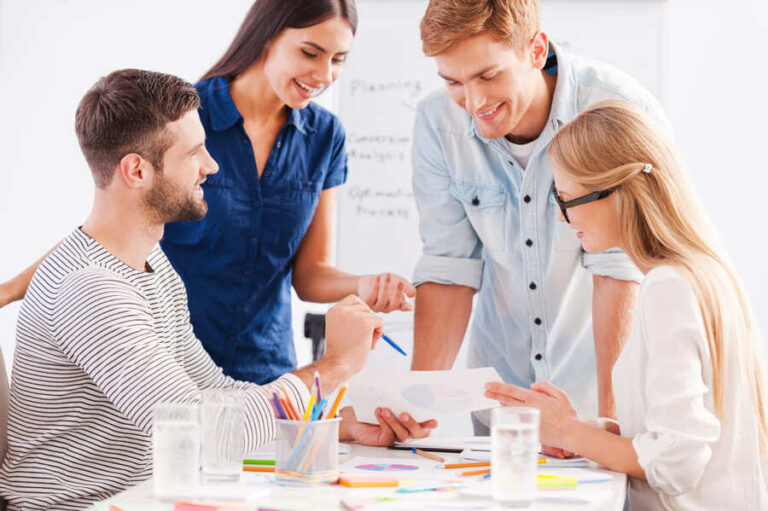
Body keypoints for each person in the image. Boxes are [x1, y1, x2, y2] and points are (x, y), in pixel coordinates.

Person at [0, 69, 433, 511]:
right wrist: (337, 364)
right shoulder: (90, 289)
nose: (212, 165)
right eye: (194, 153)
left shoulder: (153, 267)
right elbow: (201, 430)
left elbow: (215, 394)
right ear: (137, 170)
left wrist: (333, 423)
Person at [0, 0, 418, 396]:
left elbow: (309, 274)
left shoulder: (325, 137)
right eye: (311, 52)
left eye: (339, 59)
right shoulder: (187, 121)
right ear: (268, 36)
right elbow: (108, 232)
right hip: (164, 367)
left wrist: (364, 285)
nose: (325, 74)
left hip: (266, 372)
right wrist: (7, 291)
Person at [485, 100, 768, 509]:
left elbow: (677, 462)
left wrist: (568, 432)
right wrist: (589, 431)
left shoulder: (669, 286)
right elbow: (680, 433)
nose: (563, 219)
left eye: (565, 199)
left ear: (616, 192)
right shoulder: (704, 272)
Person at [409, 0, 668, 439]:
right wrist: (413, 401)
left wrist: (608, 424)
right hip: (500, 404)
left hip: (596, 400)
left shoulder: (614, 109)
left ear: (535, 50)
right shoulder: (438, 125)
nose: (473, 102)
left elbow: (616, 270)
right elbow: (449, 268)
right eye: (453, 81)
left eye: (488, 76)